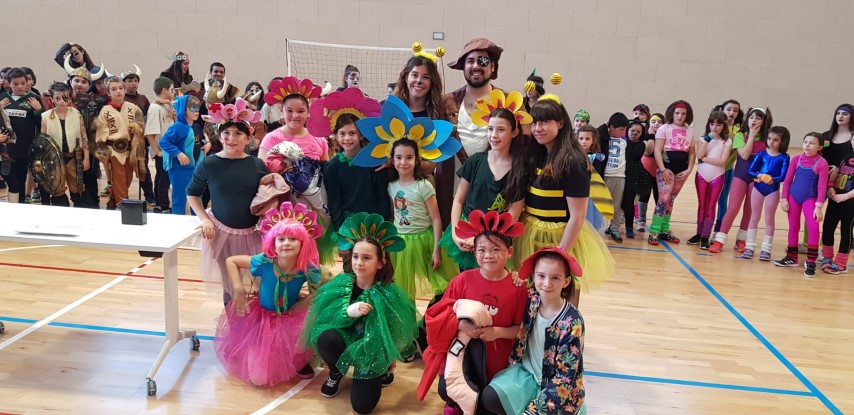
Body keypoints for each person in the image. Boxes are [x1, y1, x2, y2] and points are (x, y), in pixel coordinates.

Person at [303, 213, 418, 414]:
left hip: (372, 349)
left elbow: (395, 331)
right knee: (326, 338)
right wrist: (349, 312)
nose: (359, 263)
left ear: (380, 263)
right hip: (347, 337)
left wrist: (388, 357)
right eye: (356, 256)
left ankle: (383, 370)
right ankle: (336, 372)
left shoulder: (388, 293)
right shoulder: (342, 284)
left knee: (362, 407)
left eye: (367, 258)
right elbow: (327, 319)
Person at [421, 210, 528, 415]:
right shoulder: (462, 281)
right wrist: (461, 325)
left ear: (509, 252)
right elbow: (441, 314)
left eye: (496, 249)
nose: (488, 255)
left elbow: (522, 330)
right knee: (447, 389)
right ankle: (456, 403)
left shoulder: (518, 289)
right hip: (464, 357)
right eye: (482, 250)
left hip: (499, 362)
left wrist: (497, 332)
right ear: (474, 253)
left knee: (488, 402)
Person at [513, 95, 614, 306]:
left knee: (562, 300)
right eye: (535, 122)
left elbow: (578, 217)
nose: (538, 128)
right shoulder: (535, 154)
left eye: (544, 122)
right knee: (530, 299)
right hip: (529, 234)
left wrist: (560, 255)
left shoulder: (574, 161)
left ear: (560, 123)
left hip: (560, 238)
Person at [215, 202, 322, 386]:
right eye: (281, 239)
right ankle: (260, 351)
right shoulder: (265, 261)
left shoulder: (307, 268)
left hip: (290, 316)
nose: (286, 243)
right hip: (262, 318)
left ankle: (297, 359)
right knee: (258, 380)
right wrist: (238, 289)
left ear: (303, 242)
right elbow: (232, 261)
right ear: (273, 242)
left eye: (293, 239)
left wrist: (305, 302)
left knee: (298, 338)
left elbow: (320, 289)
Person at [481, 247, 586, 415]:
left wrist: (533, 411)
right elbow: (508, 285)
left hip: (557, 388)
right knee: (489, 398)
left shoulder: (572, 323)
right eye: (541, 276)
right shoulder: (531, 300)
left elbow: (564, 379)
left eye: (555, 278)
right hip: (527, 376)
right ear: (533, 276)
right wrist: (515, 277)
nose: (547, 284)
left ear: (566, 281)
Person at [187, 97, 269, 305]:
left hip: (253, 234)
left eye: (238, 134)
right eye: (227, 133)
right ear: (220, 136)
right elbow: (192, 193)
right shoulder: (209, 164)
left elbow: (268, 196)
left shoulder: (258, 165)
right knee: (231, 286)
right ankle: (232, 320)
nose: (232, 139)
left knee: (262, 284)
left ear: (248, 138)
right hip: (221, 233)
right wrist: (204, 219)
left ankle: (258, 322)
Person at [439, 91, 530, 271]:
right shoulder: (475, 161)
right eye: (490, 129)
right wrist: (457, 234)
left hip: (495, 240)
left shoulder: (519, 170)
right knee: (467, 279)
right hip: (466, 233)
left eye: (501, 129)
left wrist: (485, 239)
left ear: (514, 132)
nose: (494, 135)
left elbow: (512, 214)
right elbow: (458, 200)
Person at [436, 37, 504, 227]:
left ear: (493, 67)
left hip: (492, 196)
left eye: (483, 61)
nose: (476, 66)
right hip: (450, 194)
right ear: (463, 66)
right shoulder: (446, 102)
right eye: (470, 61)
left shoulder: (506, 103)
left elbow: (523, 149)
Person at [311, 88, 388, 242]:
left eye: (352, 133)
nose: (347, 138)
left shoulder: (374, 162)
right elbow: (335, 202)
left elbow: (382, 196)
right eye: (342, 133)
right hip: (348, 225)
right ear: (335, 135)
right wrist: (342, 235)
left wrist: (382, 227)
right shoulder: (333, 167)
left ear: (361, 134)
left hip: (373, 222)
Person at [386, 138, 460, 300]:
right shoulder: (391, 185)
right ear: (392, 160)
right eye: (398, 157)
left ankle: (436, 312)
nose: (403, 162)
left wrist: (436, 250)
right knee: (404, 289)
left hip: (425, 240)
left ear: (417, 159)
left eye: (409, 157)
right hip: (402, 243)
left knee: (441, 282)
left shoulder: (424, 186)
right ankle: (408, 315)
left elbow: (436, 219)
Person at [710, 107, 772, 253]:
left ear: (764, 121)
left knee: (749, 210)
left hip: (756, 179)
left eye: (758, 118)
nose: (754, 120)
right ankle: (720, 240)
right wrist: (751, 136)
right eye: (751, 117)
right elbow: (744, 155)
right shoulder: (739, 135)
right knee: (732, 208)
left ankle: (741, 239)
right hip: (740, 176)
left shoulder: (767, 139)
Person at [775, 132, 828, 278]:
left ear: (820, 147)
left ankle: (811, 261)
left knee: (813, 228)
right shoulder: (796, 159)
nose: (807, 145)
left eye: (812, 143)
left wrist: (818, 207)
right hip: (793, 197)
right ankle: (792, 257)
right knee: (793, 227)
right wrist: (784, 198)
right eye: (805, 142)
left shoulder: (821, 163)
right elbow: (787, 181)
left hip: (810, 199)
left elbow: (822, 187)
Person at [393, 44, 447, 183]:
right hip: (391, 181)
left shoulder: (435, 115)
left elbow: (430, 166)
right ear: (406, 77)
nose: (419, 81)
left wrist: (396, 162)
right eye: (415, 75)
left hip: (422, 184)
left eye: (425, 77)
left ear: (432, 82)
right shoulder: (392, 110)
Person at [648, 100, 696, 245]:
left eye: (683, 114)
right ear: (672, 113)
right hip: (666, 169)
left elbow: (692, 152)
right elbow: (657, 150)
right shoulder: (664, 128)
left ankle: (664, 230)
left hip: (681, 171)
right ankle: (654, 231)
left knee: (670, 200)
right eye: (677, 113)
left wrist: (689, 170)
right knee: (663, 199)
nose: (680, 116)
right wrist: (663, 169)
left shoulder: (690, 131)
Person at [94, 76, 145, 209]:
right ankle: (122, 207)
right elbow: (100, 134)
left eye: (121, 88)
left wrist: (136, 128)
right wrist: (103, 153)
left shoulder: (132, 108)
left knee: (127, 179)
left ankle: (112, 202)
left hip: (129, 150)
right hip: (114, 150)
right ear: (108, 92)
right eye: (114, 89)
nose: (118, 91)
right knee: (119, 180)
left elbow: (140, 124)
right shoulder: (105, 111)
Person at [742, 126, 790, 260]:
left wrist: (771, 178)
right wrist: (760, 175)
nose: (771, 142)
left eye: (775, 140)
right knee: (754, 217)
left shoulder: (784, 157)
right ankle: (750, 246)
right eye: (769, 139)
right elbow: (750, 170)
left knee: (769, 219)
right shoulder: (761, 154)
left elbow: (783, 176)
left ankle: (766, 249)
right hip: (758, 188)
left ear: (783, 142)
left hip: (772, 191)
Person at [64, 58, 107, 208]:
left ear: (89, 85)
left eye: (84, 82)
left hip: (88, 145)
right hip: (67, 146)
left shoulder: (97, 100)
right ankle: (77, 202)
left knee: (89, 175)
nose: (80, 84)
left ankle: (93, 203)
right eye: (77, 80)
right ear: (70, 81)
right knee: (72, 176)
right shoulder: (61, 98)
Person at [38, 82, 89, 207]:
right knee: (57, 187)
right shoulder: (46, 116)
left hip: (73, 157)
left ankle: (79, 208)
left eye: (65, 98)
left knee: (77, 186)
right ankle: (61, 209)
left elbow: (84, 137)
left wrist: (86, 158)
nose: (61, 101)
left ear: (70, 98)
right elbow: (43, 141)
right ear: (52, 99)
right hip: (54, 159)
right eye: (58, 98)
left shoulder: (76, 114)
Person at [688, 111, 733, 250]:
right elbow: (699, 155)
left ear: (724, 126)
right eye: (712, 124)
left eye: (718, 125)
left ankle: (705, 236)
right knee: (702, 204)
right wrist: (708, 140)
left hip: (717, 176)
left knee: (711, 206)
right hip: (701, 175)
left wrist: (705, 159)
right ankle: (699, 233)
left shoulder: (727, 141)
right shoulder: (703, 139)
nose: (714, 127)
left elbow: (722, 162)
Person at [259, 76, 328, 161]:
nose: (295, 115)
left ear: (308, 111)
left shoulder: (320, 140)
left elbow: (325, 168)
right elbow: (261, 168)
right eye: (289, 111)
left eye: (300, 111)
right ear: (281, 110)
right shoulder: (270, 139)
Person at [1, 68, 43, 203]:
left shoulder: (34, 99)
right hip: (5, 149)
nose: (20, 86)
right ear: (9, 83)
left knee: (20, 180)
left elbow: (41, 125)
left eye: (23, 83)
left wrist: (38, 111)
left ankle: (20, 204)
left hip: (24, 148)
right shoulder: (2, 98)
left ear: (28, 83)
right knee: (11, 181)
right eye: (16, 83)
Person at [159, 95, 201, 215]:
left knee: (196, 197)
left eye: (197, 108)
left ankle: (197, 219)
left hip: (193, 168)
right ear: (183, 109)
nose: (196, 111)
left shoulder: (193, 127)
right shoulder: (178, 127)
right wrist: (178, 153)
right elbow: (164, 142)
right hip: (179, 169)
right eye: (192, 108)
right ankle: (177, 221)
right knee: (179, 198)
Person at [821, 136, 854, 274]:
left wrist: (846, 196)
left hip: (850, 201)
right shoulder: (846, 153)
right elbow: (836, 170)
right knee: (827, 227)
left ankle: (841, 263)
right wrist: (830, 186)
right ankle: (827, 257)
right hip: (835, 197)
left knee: (846, 231)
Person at [712, 100, 744, 235]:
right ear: (722, 110)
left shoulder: (739, 131)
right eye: (729, 109)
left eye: (735, 110)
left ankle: (718, 230)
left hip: (728, 170)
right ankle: (703, 231)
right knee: (710, 201)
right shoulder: (715, 127)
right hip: (712, 170)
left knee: (723, 201)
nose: (732, 112)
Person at [144, 77, 176, 213]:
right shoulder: (155, 108)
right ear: (164, 90)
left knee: (163, 177)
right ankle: (163, 206)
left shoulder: (167, 104)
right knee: (164, 179)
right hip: (162, 150)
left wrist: (170, 103)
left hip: (169, 149)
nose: (173, 92)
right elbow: (149, 133)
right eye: (172, 90)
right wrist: (157, 151)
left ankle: (160, 203)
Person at [596, 112, 629, 242]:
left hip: (619, 176)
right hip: (603, 176)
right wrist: (605, 126)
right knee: (597, 205)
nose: (623, 132)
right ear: (611, 127)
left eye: (625, 129)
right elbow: (596, 132)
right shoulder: (601, 137)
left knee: (616, 205)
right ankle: (594, 229)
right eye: (621, 129)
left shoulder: (624, 141)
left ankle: (614, 228)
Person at [636, 112, 664, 231]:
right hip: (646, 169)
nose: (656, 124)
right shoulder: (645, 135)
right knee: (644, 194)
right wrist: (652, 136)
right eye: (653, 122)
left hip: (659, 170)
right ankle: (641, 220)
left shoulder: (665, 136)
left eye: (659, 122)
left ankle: (657, 222)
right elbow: (648, 151)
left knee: (659, 196)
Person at [621, 119, 647, 239]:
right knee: (617, 202)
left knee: (629, 203)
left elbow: (633, 156)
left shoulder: (641, 145)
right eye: (632, 131)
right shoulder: (622, 142)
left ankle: (629, 228)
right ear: (627, 131)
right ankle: (613, 226)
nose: (635, 133)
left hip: (633, 177)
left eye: (638, 132)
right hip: (620, 174)